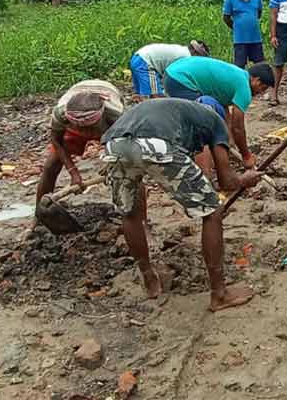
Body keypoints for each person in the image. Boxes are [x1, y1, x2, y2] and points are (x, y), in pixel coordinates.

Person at [101, 97, 261, 310]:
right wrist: (245, 180)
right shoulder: (215, 121)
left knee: (129, 212)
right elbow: (227, 182)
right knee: (212, 212)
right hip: (156, 145)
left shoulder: (175, 110)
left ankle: (149, 278)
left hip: (115, 144)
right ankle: (220, 295)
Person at [164, 56, 275, 169]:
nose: (260, 92)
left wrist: (229, 142)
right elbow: (238, 128)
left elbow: (225, 114)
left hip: (173, 73)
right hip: (181, 79)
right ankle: (205, 176)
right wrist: (246, 156)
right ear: (256, 80)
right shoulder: (244, 88)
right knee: (202, 129)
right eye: (263, 88)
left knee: (208, 119)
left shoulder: (236, 76)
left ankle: (202, 161)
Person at [36, 80, 125, 206]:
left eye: (90, 127)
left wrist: (112, 164)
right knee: (51, 165)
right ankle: (39, 213)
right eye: (80, 128)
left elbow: (124, 143)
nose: (86, 132)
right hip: (82, 122)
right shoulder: (60, 113)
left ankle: (130, 213)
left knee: (125, 172)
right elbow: (56, 141)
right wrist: (73, 172)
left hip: (109, 129)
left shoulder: (116, 115)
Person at [129, 41, 210, 98]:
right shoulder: (186, 58)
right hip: (146, 62)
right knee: (155, 98)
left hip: (137, 57)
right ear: (196, 53)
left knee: (141, 95)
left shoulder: (181, 50)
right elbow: (173, 76)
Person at [223, 0, 264, 68]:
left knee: (260, 65)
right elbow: (226, 18)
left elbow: (259, 13)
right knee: (239, 66)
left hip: (255, 38)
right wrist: (236, 27)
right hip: (240, 40)